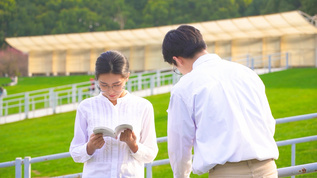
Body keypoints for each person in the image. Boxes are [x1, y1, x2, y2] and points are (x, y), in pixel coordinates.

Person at [162, 25, 279, 178]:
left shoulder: (184, 88)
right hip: (267, 168)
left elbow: (179, 145)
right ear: (204, 46)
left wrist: (181, 175)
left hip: (227, 172)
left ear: (177, 60)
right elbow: (268, 123)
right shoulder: (246, 73)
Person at [70, 50, 158, 177]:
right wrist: (90, 147)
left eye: (117, 85)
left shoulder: (143, 106)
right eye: (103, 85)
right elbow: (75, 153)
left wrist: (133, 145)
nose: (110, 91)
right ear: (97, 79)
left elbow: (151, 154)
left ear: (127, 77)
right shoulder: (86, 107)